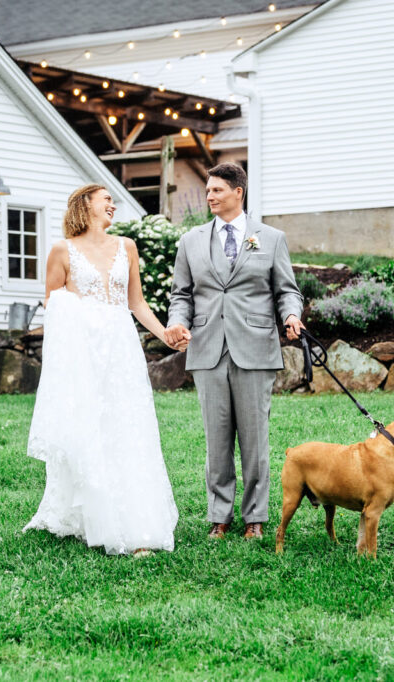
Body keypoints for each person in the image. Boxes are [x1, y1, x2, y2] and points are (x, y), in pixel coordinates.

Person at [24, 184, 181, 556]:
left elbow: (137, 303)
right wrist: (80, 316)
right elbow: (52, 303)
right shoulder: (62, 250)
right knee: (88, 426)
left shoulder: (126, 247)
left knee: (127, 425)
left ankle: (136, 520)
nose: (113, 205)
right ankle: (87, 515)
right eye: (106, 199)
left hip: (121, 350)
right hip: (83, 353)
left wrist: (166, 333)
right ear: (85, 205)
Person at [164, 163, 304, 540]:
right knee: (217, 438)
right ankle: (219, 517)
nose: (209, 196)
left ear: (237, 192)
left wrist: (291, 315)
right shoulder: (190, 240)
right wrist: (178, 322)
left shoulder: (271, 238)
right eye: (208, 190)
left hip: (256, 349)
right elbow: (181, 295)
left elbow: (287, 289)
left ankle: (255, 517)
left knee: (255, 439)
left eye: (216, 190)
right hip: (208, 350)